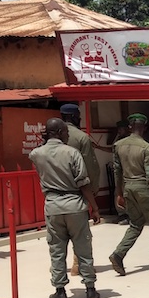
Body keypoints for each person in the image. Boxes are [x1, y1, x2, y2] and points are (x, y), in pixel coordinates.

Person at [29, 118, 101, 298]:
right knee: (83, 249)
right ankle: (90, 290)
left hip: (53, 206)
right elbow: (83, 183)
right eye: (66, 132)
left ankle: (60, 292)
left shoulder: (36, 154)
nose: (69, 135)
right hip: (75, 205)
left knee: (57, 251)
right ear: (60, 132)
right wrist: (94, 207)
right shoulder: (72, 153)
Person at [109, 113, 149, 276]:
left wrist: (119, 193)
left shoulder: (118, 145)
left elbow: (117, 171)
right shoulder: (146, 147)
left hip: (128, 188)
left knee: (135, 225)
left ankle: (118, 254)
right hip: (144, 189)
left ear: (130, 127)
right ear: (144, 128)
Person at [60, 103, 101, 276]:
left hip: (54, 193)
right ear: (75, 117)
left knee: (58, 236)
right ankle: (78, 266)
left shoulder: (50, 139)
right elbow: (90, 166)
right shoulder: (81, 138)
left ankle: (59, 268)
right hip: (78, 191)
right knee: (81, 232)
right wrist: (94, 191)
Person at [92, 119, 131, 225]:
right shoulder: (118, 139)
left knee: (126, 192)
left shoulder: (129, 141)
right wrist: (98, 147)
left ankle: (128, 216)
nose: (119, 131)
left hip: (126, 171)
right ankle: (121, 214)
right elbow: (112, 150)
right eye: (119, 129)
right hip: (118, 170)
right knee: (117, 192)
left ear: (127, 129)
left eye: (121, 129)